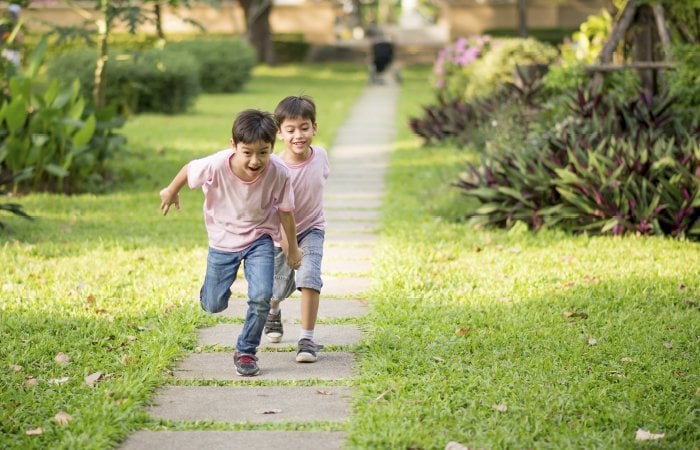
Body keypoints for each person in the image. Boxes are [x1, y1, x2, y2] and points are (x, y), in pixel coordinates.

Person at [159, 109, 302, 377]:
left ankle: (246, 351)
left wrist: (292, 247)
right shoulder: (216, 164)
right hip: (223, 239)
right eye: (247, 152)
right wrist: (171, 190)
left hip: (260, 236)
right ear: (233, 146)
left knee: (261, 296)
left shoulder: (280, 173)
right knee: (213, 305)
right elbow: (190, 169)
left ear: (273, 147)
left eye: (263, 152)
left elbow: (285, 212)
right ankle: (210, 291)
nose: (255, 160)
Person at [264, 95, 330, 363]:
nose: (298, 135)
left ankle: (307, 339)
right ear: (279, 133)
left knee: (309, 278)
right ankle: (274, 311)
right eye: (290, 130)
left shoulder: (321, 156)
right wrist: (286, 244)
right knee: (277, 288)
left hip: (312, 229)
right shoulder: (276, 168)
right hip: (279, 235)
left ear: (315, 127)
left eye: (304, 127)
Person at [0, 4, 22, 70]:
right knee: (13, 70)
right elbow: (18, 38)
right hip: (12, 50)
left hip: (3, 49)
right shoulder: (14, 22)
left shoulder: (3, 21)